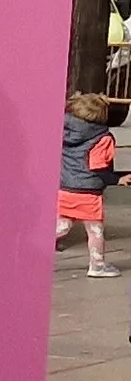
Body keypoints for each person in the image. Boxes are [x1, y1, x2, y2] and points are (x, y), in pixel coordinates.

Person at [60, 93, 118, 278]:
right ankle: (97, 266)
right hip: (88, 193)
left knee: (61, 225)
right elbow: (98, 166)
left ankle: (34, 251)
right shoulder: (103, 138)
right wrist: (116, 179)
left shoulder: (64, 130)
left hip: (64, 187)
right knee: (95, 230)